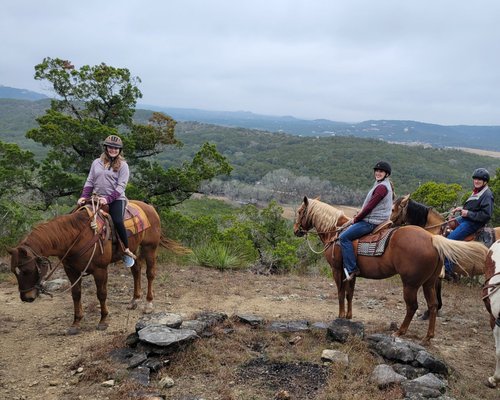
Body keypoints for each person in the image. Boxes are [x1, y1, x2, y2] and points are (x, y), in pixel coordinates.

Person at [77, 134, 136, 267]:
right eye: (111, 147)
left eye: (116, 148)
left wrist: (108, 199)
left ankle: (125, 249)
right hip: (96, 197)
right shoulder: (96, 163)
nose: (113, 150)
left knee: (117, 221)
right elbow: (90, 181)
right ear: (106, 148)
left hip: (115, 199)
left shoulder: (123, 166)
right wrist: (83, 196)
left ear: (119, 150)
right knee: (77, 215)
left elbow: (121, 186)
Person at [339, 161, 394, 281]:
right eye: (377, 171)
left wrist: (355, 219)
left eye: (381, 171)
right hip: (376, 218)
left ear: (387, 174)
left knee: (344, 237)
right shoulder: (382, 184)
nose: (378, 173)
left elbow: (369, 207)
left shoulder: (382, 188)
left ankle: (352, 269)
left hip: (371, 221)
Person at [444, 168, 494, 280]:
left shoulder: (487, 195)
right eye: (475, 179)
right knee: (445, 227)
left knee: (450, 240)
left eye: (479, 180)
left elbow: (486, 215)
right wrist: (462, 209)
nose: (476, 181)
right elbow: (474, 207)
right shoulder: (478, 190)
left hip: (473, 223)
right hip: (467, 218)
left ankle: (448, 269)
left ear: (485, 182)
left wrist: (468, 213)